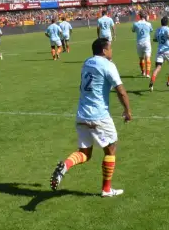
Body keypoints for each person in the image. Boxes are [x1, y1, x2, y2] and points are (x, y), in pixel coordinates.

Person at [50, 37, 132, 197]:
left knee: (85, 153)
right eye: (110, 48)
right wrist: (127, 110)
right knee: (111, 149)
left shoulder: (87, 63)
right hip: (99, 115)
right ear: (104, 50)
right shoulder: (108, 65)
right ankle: (106, 189)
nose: (111, 51)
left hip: (82, 114)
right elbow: (120, 91)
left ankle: (65, 166)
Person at [150, 16, 169, 91]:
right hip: (167, 50)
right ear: (167, 22)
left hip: (160, 51)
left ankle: (152, 81)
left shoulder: (158, 30)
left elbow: (154, 39)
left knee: (158, 67)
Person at [131, 12, 153, 78]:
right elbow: (151, 30)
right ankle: (148, 74)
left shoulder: (136, 24)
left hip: (139, 42)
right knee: (148, 57)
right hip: (146, 42)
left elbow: (133, 30)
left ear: (139, 16)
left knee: (141, 58)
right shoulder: (148, 24)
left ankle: (143, 72)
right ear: (145, 17)